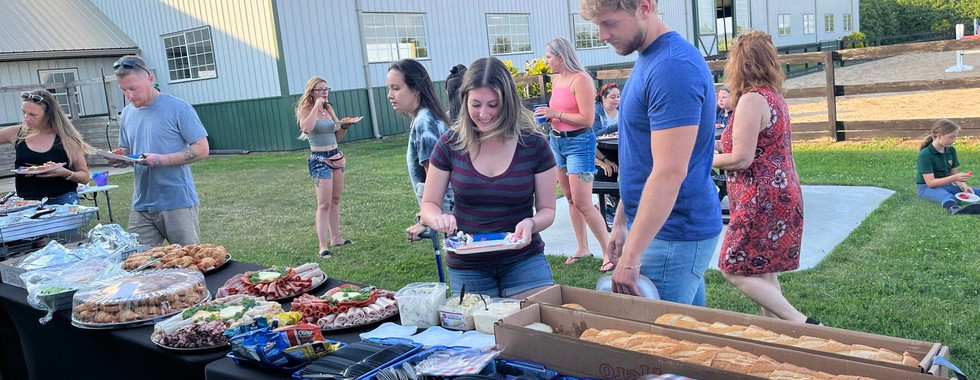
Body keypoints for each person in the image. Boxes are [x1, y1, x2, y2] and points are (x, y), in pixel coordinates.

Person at [580, 0, 722, 304]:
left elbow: (669, 172)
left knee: (659, 342)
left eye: (611, 24)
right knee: (685, 337)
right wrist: (620, 223)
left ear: (644, 7)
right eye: (599, 26)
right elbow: (641, 160)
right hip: (656, 227)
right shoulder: (650, 58)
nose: (603, 35)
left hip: (673, 231)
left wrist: (631, 256)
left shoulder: (673, 67)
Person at [420, 57, 558, 298]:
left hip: (523, 259)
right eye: (476, 104)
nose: (484, 114)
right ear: (464, 102)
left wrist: (531, 224)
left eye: (493, 105)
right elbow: (428, 205)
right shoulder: (449, 144)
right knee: (478, 334)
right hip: (467, 263)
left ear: (509, 103)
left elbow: (547, 210)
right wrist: (438, 219)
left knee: (534, 327)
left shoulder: (534, 144)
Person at [712, 30, 819, 325]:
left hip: (760, 198)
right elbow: (759, 145)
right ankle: (778, 336)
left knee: (733, 267)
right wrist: (719, 145)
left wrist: (699, 160)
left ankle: (802, 324)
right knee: (762, 270)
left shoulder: (751, 99)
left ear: (738, 64)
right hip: (780, 194)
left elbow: (742, 159)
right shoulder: (774, 98)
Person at [108, 55, 209, 246]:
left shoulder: (178, 108)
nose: (129, 96)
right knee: (137, 264)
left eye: (133, 88)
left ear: (150, 79)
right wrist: (118, 156)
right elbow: (128, 149)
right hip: (142, 204)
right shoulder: (127, 113)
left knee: (187, 264)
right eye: (123, 90)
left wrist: (163, 160)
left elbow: (202, 149)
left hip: (177, 203)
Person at [533, 37, 613, 273]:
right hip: (557, 142)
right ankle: (582, 247)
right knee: (569, 199)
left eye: (549, 56)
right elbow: (562, 113)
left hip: (579, 143)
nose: (546, 61)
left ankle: (609, 252)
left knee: (583, 202)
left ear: (561, 56)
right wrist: (549, 117)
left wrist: (555, 111)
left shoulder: (582, 80)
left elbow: (587, 120)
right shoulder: (557, 80)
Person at [386, 59, 455, 242]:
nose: (389, 95)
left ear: (416, 88)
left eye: (396, 88)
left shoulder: (424, 122)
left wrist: (425, 220)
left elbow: (434, 176)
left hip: (448, 214)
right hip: (449, 211)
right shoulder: (431, 117)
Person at [297, 76, 358, 258]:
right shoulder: (306, 109)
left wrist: (344, 126)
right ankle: (322, 246)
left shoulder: (329, 108)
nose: (324, 93)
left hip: (335, 156)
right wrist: (316, 107)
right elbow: (306, 128)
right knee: (323, 203)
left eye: (326, 89)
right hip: (319, 160)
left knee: (335, 199)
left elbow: (335, 137)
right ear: (312, 92)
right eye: (320, 90)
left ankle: (336, 238)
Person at [0, 89, 93, 204]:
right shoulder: (16, 133)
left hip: (62, 199)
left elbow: (84, 177)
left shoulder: (66, 138)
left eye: (33, 115)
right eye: (24, 112)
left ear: (48, 115)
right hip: (28, 202)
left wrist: (66, 173)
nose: (26, 118)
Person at [916, 119, 980, 214]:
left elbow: (953, 173)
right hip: (926, 188)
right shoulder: (925, 154)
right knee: (946, 196)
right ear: (939, 136)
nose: (954, 140)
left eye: (955, 137)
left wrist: (963, 185)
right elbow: (930, 183)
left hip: (946, 185)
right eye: (951, 137)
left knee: (975, 191)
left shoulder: (951, 150)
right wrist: (954, 178)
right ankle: (955, 209)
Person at [592, 82, 621, 227]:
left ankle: (617, 203)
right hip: (601, 149)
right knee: (608, 169)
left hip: (619, 146)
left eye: (618, 96)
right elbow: (596, 133)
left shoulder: (622, 110)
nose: (616, 100)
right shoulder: (597, 111)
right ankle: (605, 206)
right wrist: (617, 126)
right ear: (603, 99)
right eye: (612, 97)